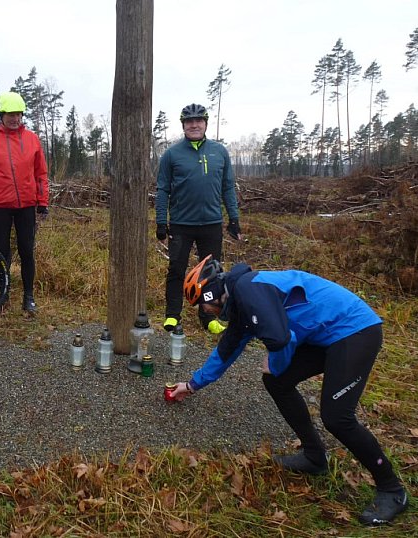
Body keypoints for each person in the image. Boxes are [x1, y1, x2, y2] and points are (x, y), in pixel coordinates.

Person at [169, 255, 409, 526]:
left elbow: (281, 339)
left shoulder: (248, 288)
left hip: (355, 331)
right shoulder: (241, 304)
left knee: (337, 417)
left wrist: (276, 363)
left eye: (202, 304)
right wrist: (191, 385)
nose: (205, 311)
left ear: (212, 292)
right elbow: (225, 352)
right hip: (327, 336)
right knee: (277, 382)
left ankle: (392, 489)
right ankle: (314, 457)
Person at [155, 103, 241, 335]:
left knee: (212, 275)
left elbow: (228, 188)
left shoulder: (219, 151)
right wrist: (161, 222)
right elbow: (162, 190)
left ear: (205, 123)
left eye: (198, 121)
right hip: (182, 224)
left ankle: (208, 316)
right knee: (176, 269)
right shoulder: (172, 154)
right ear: (183, 125)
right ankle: (172, 316)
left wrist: (234, 219)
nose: (194, 125)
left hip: (211, 224)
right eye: (189, 122)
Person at [0, 91, 49, 314]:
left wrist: (42, 202)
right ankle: (3, 295)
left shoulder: (32, 139)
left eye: (18, 114)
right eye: (10, 115)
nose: (15, 119)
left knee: (27, 251)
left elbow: (41, 173)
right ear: (1, 115)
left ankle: (28, 296)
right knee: (2, 252)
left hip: (26, 205)